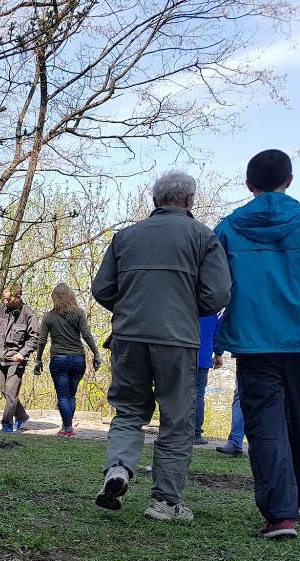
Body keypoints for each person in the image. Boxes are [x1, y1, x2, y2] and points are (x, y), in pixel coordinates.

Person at [91, 171, 231, 522]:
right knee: (177, 421)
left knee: (128, 412)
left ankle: (118, 469)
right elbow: (217, 295)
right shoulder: (203, 237)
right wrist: (184, 308)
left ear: (156, 199)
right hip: (177, 339)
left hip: (127, 337)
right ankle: (165, 502)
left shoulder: (125, 237)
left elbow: (102, 289)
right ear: (188, 201)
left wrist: (131, 309)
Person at [214, 149, 300, 540]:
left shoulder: (229, 229)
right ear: (290, 179)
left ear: (249, 184)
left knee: (265, 430)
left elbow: (213, 288)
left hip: (255, 344)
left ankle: (281, 516)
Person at [33, 283, 101, 437]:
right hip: (78, 359)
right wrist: (96, 354)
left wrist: (38, 360)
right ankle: (66, 425)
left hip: (59, 360)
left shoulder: (49, 317)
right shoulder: (79, 313)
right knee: (71, 395)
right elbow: (87, 335)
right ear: (71, 296)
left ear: (55, 299)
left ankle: (68, 429)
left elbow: (42, 340)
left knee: (63, 396)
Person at [0, 285, 39, 432]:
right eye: (4, 298)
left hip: (16, 361)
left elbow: (34, 338)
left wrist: (22, 353)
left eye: (9, 299)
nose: (6, 301)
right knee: (4, 391)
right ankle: (22, 415)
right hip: (0, 358)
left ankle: (7, 425)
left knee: (11, 392)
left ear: (18, 296)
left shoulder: (28, 315)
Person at [193, 314, 223, 445]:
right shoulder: (211, 312)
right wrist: (218, 354)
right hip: (203, 358)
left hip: (181, 356)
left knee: (177, 393)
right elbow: (218, 334)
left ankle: (172, 429)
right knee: (198, 394)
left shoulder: (184, 304)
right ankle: (195, 433)